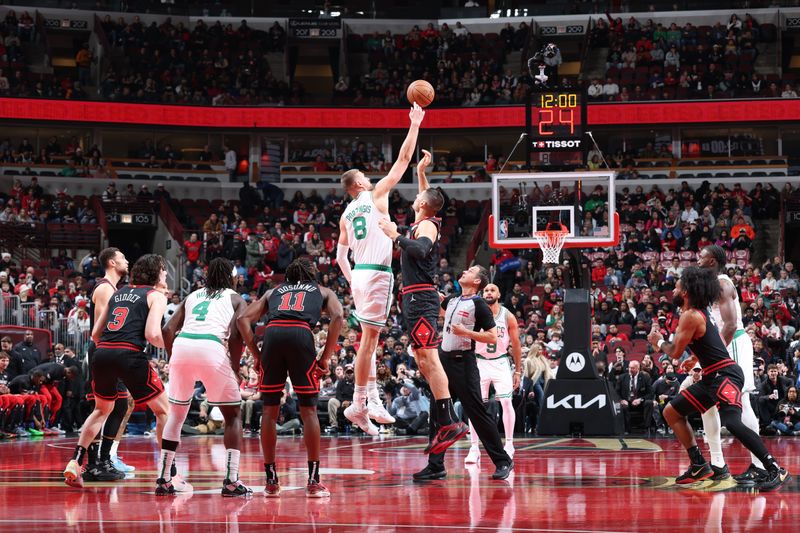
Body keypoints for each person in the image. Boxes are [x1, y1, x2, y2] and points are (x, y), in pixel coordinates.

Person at [648, 267, 790, 491]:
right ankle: (698, 465)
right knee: (671, 412)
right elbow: (710, 345)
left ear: (685, 291)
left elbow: (674, 352)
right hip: (712, 375)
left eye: (677, 285)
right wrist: (695, 359)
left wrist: (658, 341)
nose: (673, 289)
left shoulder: (691, 315)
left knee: (732, 421)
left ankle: (775, 469)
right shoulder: (697, 313)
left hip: (725, 375)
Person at [337, 103, 425, 435]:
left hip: (360, 274)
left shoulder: (345, 215)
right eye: (365, 177)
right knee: (368, 341)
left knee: (369, 340)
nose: (370, 178)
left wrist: (351, 282)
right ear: (358, 185)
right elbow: (403, 160)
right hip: (375, 274)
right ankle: (360, 404)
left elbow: (339, 258)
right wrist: (414, 125)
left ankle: (371, 398)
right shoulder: (375, 197)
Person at [379, 145, 468, 458]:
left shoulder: (427, 225)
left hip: (420, 296)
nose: (415, 197)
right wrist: (420, 172)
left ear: (422, 205)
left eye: (419, 195)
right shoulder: (424, 218)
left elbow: (419, 250)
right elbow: (425, 201)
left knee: (429, 358)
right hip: (416, 296)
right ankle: (445, 417)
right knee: (422, 358)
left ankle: (448, 420)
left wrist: (395, 235)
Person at [237, 258, 343, 497]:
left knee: (268, 410)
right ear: (311, 274)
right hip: (300, 334)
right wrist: (325, 357)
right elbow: (338, 317)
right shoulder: (323, 290)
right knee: (309, 410)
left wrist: (256, 354)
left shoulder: (274, 291)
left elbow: (242, 319)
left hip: (272, 335)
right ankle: (314, 481)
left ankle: (271, 480)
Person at [63, 254, 170, 488]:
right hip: (128, 353)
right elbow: (153, 335)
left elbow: (95, 334)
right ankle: (167, 472)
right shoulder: (155, 296)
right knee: (164, 411)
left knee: (102, 410)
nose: (165, 274)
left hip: (102, 354)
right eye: (163, 270)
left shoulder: (118, 293)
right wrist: (173, 344)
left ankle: (75, 460)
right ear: (155, 273)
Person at [157, 257, 251, 496]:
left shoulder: (192, 296)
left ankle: (165, 478)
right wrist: (235, 367)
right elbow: (235, 337)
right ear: (233, 278)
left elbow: (167, 330)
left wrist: (173, 357)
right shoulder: (235, 298)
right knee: (232, 415)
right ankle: (231, 481)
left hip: (182, 345)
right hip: (212, 347)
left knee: (176, 416)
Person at [414, 265, 513, 481]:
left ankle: (503, 461)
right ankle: (435, 466)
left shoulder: (480, 304)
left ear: (477, 281)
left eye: (470, 271)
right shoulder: (453, 299)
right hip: (443, 362)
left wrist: (466, 332)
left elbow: (492, 337)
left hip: (464, 363)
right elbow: (441, 310)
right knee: (438, 413)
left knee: (477, 413)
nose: (465, 272)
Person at [697, 245, 766, 484]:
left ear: (712, 260)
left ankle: (760, 465)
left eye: (702, 256)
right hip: (724, 346)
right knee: (706, 401)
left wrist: (717, 354)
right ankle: (717, 462)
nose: (698, 258)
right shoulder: (711, 284)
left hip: (733, 344)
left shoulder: (722, 283)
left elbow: (729, 324)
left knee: (742, 401)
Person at [84, 247, 137, 479]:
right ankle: (95, 463)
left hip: (109, 350)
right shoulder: (105, 288)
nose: (127, 260)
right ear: (112, 263)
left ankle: (104, 460)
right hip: (104, 350)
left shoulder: (113, 289)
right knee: (104, 408)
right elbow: (99, 330)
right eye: (123, 257)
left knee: (119, 405)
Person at [465, 283, 521, 464]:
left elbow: (516, 345)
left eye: (492, 290)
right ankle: (474, 447)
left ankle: (510, 444)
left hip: (501, 362)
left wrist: (518, 371)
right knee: (475, 406)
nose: (488, 292)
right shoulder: (475, 313)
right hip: (479, 362)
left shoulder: (507, 316)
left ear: (498, 294)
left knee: (505, 401)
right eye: (486, 290)